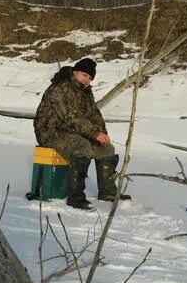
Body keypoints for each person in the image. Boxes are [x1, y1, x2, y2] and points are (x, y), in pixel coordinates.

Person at [34, 58, 131, 210]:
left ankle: (108, 192)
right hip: (50, 132)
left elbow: (94, 115)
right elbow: (71, 118)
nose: (87, 80)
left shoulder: (85, 91)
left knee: (106, 149)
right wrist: (93, 133)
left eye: (90, 78)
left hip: (72, 131)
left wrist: (101, 133)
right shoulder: (61, 88)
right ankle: (76, 196)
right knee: (82, 146)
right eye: (84, 75)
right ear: (75, 72)